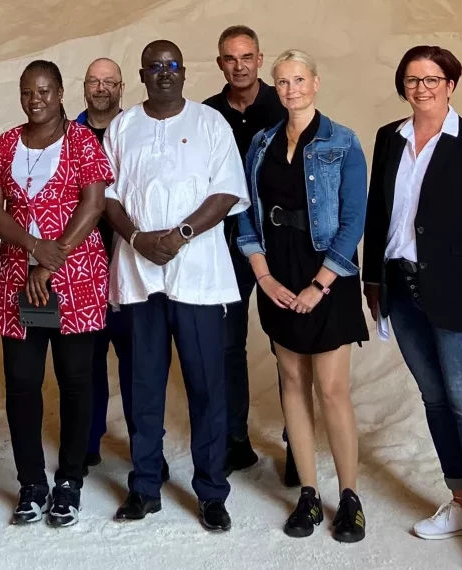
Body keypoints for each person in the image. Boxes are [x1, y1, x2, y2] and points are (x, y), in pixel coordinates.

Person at [363, 46, 462, 570]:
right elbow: (378, 213)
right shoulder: (389, 138)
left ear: (451, 84)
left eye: (432, 79)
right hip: (401, 290)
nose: (421, 88)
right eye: (412, 79)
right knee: (434, 399)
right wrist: (373, 281)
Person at [103, 40, 249, 532]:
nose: (164, 73)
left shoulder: (209, 123)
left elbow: (227, 189)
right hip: (140, 275)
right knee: (143, 385)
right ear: (141, 75)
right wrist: (139, 239)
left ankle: (211, 492)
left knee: (207, 386)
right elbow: (106, 195)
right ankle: (145, 486)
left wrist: (181, 233)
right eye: (154, 67)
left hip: (199, 277)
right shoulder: (124, 126)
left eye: (172, 66)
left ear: (184, 73)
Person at [236, 49, 369, 542]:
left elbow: (354, 220)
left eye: (299, 80)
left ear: (315, 83)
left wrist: (320, 284)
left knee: (331, 388)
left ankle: (350, 497)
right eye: (283, 82)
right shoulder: (261, 141)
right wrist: (263, 275)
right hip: (278, 269)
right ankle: (309, 494)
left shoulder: (343, 141)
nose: (291, 89)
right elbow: (244, 210)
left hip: (326, 272)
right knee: (292, 379)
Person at [0, 59, 112, 528]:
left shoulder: (82, 143)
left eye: (44, 91)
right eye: (27, 92)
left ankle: (70, 480)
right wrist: (33, 248)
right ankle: (32, 484)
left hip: (75, 274)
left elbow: (94, 204)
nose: (35, 100)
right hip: (18, 274)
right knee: (22, 382)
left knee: (76, 381)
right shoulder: (4, 144)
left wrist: (51, 259)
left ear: (60, 93)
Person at [201, 25, 297, 482]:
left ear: (260, 60)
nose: (238, 65)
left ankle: (297, 443)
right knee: (226, 345)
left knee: (290, 345)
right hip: (222, 244)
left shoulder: (285, 107)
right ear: (220, 63)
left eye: (246, 57)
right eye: (229, 58)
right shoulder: (206, 114)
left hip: (279, 243)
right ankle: (235, 441)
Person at [74, 58, 172, 482]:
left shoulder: (138, 130)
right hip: (81, 271)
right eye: (94, 82)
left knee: (140, 366)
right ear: (83, 87)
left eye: (109, 82)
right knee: (86, 364)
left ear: (121, 88)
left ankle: (146, 447)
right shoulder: (68, 134)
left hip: (132, 267)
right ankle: (87, 441)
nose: (101, 88)